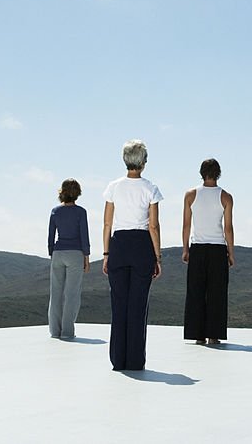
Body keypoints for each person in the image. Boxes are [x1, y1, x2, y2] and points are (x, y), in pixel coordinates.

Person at [102, 140, 162, 371]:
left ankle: (118, 360)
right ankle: (136, 361)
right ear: (144, 162)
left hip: (118, 245)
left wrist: (106, 253)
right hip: (141, 247)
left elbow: (107, 223)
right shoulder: (151, 188)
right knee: (138, 306)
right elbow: (153, 226)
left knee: (119, 305)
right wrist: (157, 258)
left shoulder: (113, 187)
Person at [182, 158, 235, 345]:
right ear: (218, 173)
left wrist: (185, 249)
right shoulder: (226, 197)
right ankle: (214, 335)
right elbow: (228, 228)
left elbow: (186, 225)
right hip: (218, 249)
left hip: (197, 248)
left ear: (201, 172)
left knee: (196, 291)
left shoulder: (190, 195)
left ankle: (198, 335)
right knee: (217, 293)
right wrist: (231, 253)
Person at [47, 179, 90, 339]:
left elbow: (51, 235)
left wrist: (52, 252)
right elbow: (84, 236)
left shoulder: (55, 211)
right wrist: (86, 256)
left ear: (62, 192)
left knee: (56, 292)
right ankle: (67, 332)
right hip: (75, 254)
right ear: (77, 193)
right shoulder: (81, 212)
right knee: (72, 294)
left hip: (58, 253)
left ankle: (55, 331)